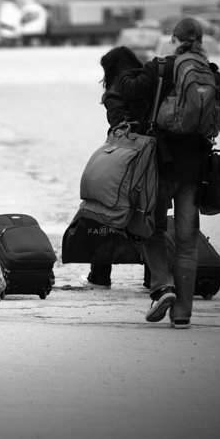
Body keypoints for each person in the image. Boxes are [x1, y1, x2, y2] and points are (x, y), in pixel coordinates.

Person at [115, 18, 220, 328]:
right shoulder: (210, 72)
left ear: (174, 40)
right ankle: (183, 313)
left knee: (149, 227)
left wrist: (125, 73)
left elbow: (128, 91)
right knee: (187, 240)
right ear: (200, 40)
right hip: (195, 168)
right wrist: (210, 119)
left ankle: (163, 285)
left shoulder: (162, 67)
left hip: (161, 162)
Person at [77, 46, 147, 290]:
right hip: (153, 157)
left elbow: (120, 127)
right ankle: (153, 277)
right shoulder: (148, 82)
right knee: (147, 214)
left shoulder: (115, 93)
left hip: (126, 159)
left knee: (105, 211)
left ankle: (100, 274)